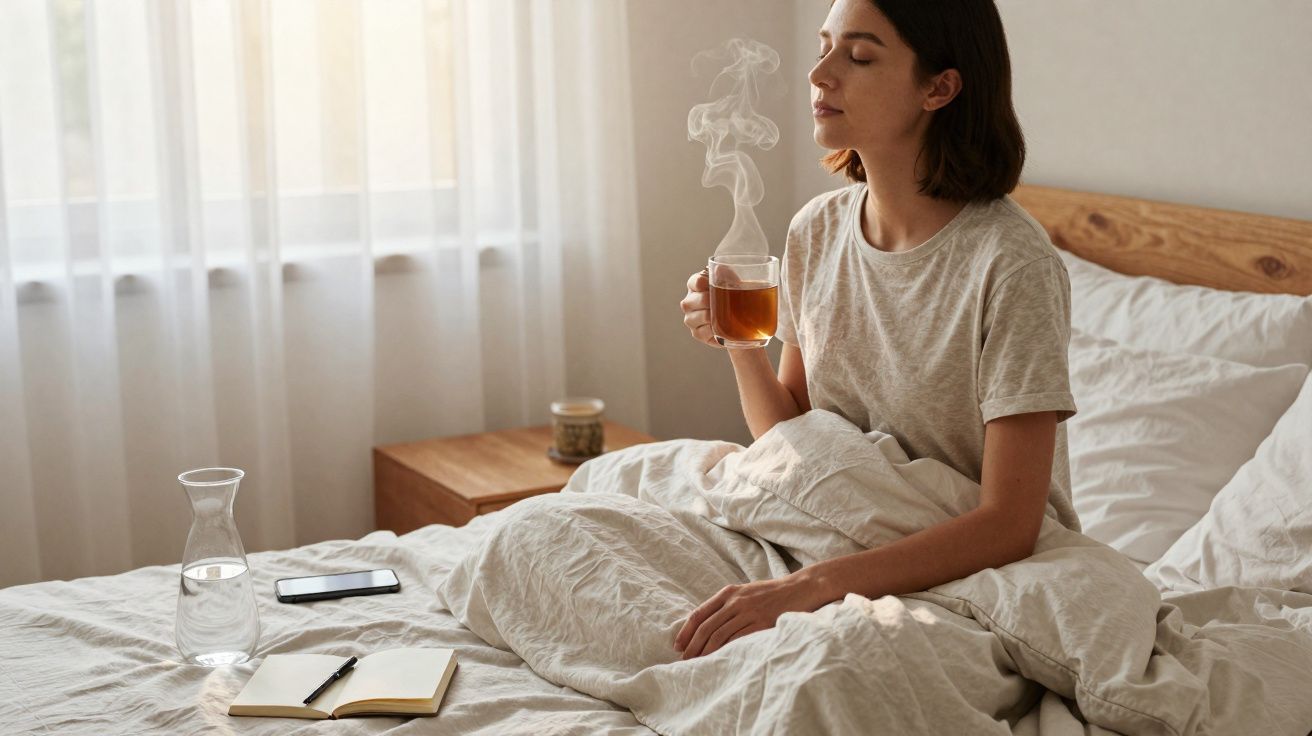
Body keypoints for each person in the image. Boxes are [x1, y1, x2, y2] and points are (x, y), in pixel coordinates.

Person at [675, 0, 1079, 660]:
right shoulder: (816, 229)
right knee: (554, 536)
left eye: (859, 56)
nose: (820, 74)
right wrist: (741, 344)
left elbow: (1010, 526)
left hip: (970, 570)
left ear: (938, 88)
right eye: (824, 48)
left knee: (825, 677)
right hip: (829, 539)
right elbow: (791, 437)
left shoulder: (1012, 263)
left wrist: (812, 587)